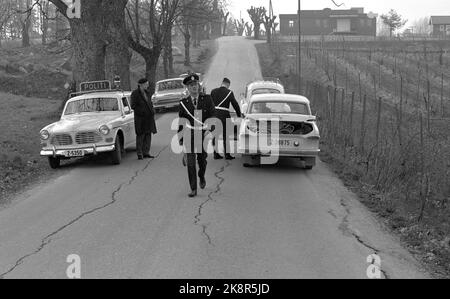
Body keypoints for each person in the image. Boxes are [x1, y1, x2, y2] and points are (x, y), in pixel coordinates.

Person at [178, 74, 216, 198]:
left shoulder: (207, 99)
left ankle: (201, 176)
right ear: (188, 88)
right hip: (189, 134)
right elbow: (182, 121)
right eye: (191, 86)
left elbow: (212, 115)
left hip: (203, 133)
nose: (194, 87)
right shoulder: (184, 103)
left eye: (195, 85)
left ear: (198, 86)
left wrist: (209, 129)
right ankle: (193, 188)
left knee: (202, 160)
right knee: (190, 163)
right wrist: (181, 139)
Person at [210, 78, 243, 160]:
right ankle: (227, 155)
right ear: (228, 84)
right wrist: (239, 115)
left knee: (216, 135)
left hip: (214, 115)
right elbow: (235, 104)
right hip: (224, 116)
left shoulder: (213, 91)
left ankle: (216, 154)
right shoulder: (229, 92)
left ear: (222, 83)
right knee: (226, 136)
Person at [131, 78, 157, 160]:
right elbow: (133, 106)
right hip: (140, 118)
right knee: (140, 135)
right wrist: (142, 112)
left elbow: (150, 103)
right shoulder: (135, 93)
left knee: (148, 135)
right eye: (146, 84)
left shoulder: (147, 92)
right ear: (141, 85)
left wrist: (152, 110)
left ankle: (146, 152)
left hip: (149, 118)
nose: (147, 85)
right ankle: (140, 153)